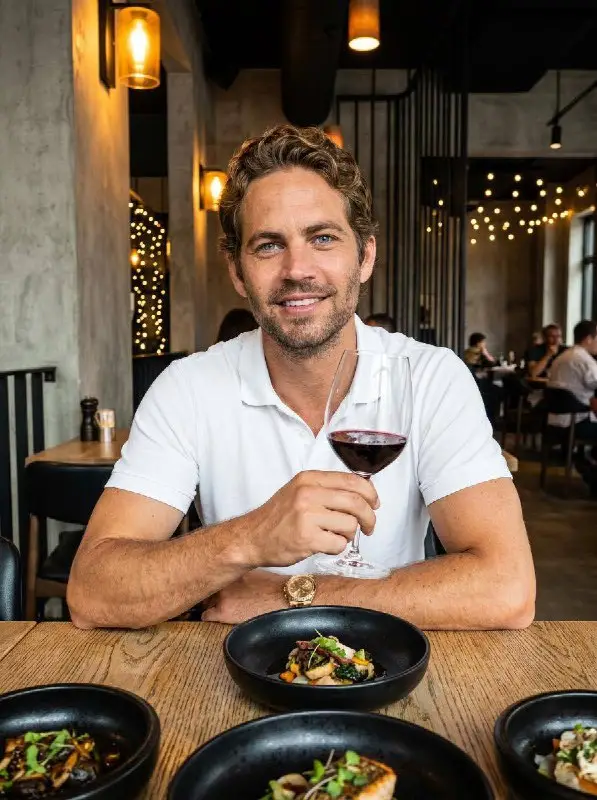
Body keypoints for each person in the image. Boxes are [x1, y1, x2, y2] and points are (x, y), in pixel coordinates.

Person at [67, 125, 535, 631]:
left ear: (366, 256)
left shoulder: (431, 377)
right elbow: (92, 592)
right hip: (233, 677)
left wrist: (297, 597)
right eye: (268, 245)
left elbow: (508, 589)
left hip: (390, 670)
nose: (297, 269)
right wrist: (250, 538)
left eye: (324, 238)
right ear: (237, 270)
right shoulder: (188, 387)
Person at [548, 320, 597, 440]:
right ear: (589, 339)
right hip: (576, 423)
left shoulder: (562, 357)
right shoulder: (584, 360)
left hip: (554, 422)